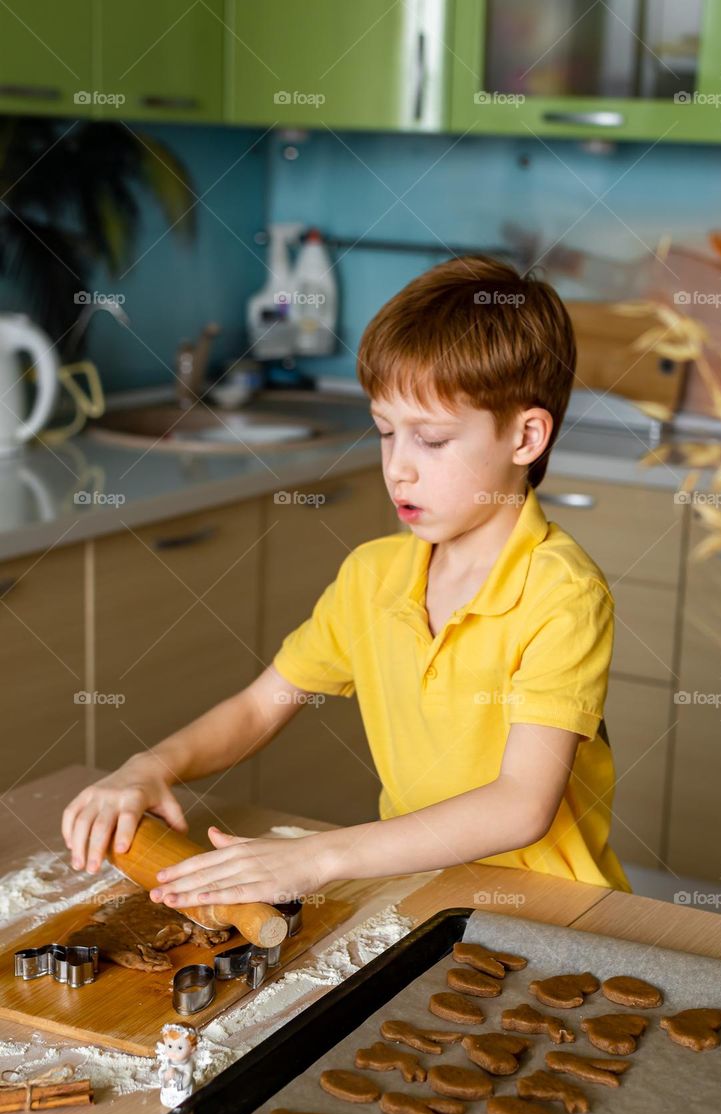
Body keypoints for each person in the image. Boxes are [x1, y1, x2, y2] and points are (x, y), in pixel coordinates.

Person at [61, 254, 631, 908]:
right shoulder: (373, 577)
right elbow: (257, 707)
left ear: (526, 436)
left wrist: (319, 855)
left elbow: (520, 806)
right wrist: (149, 767)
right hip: (431, 895)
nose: (399, 470)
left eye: (433, 440)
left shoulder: (563, 595)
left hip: (558, 912)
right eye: (386, 432)